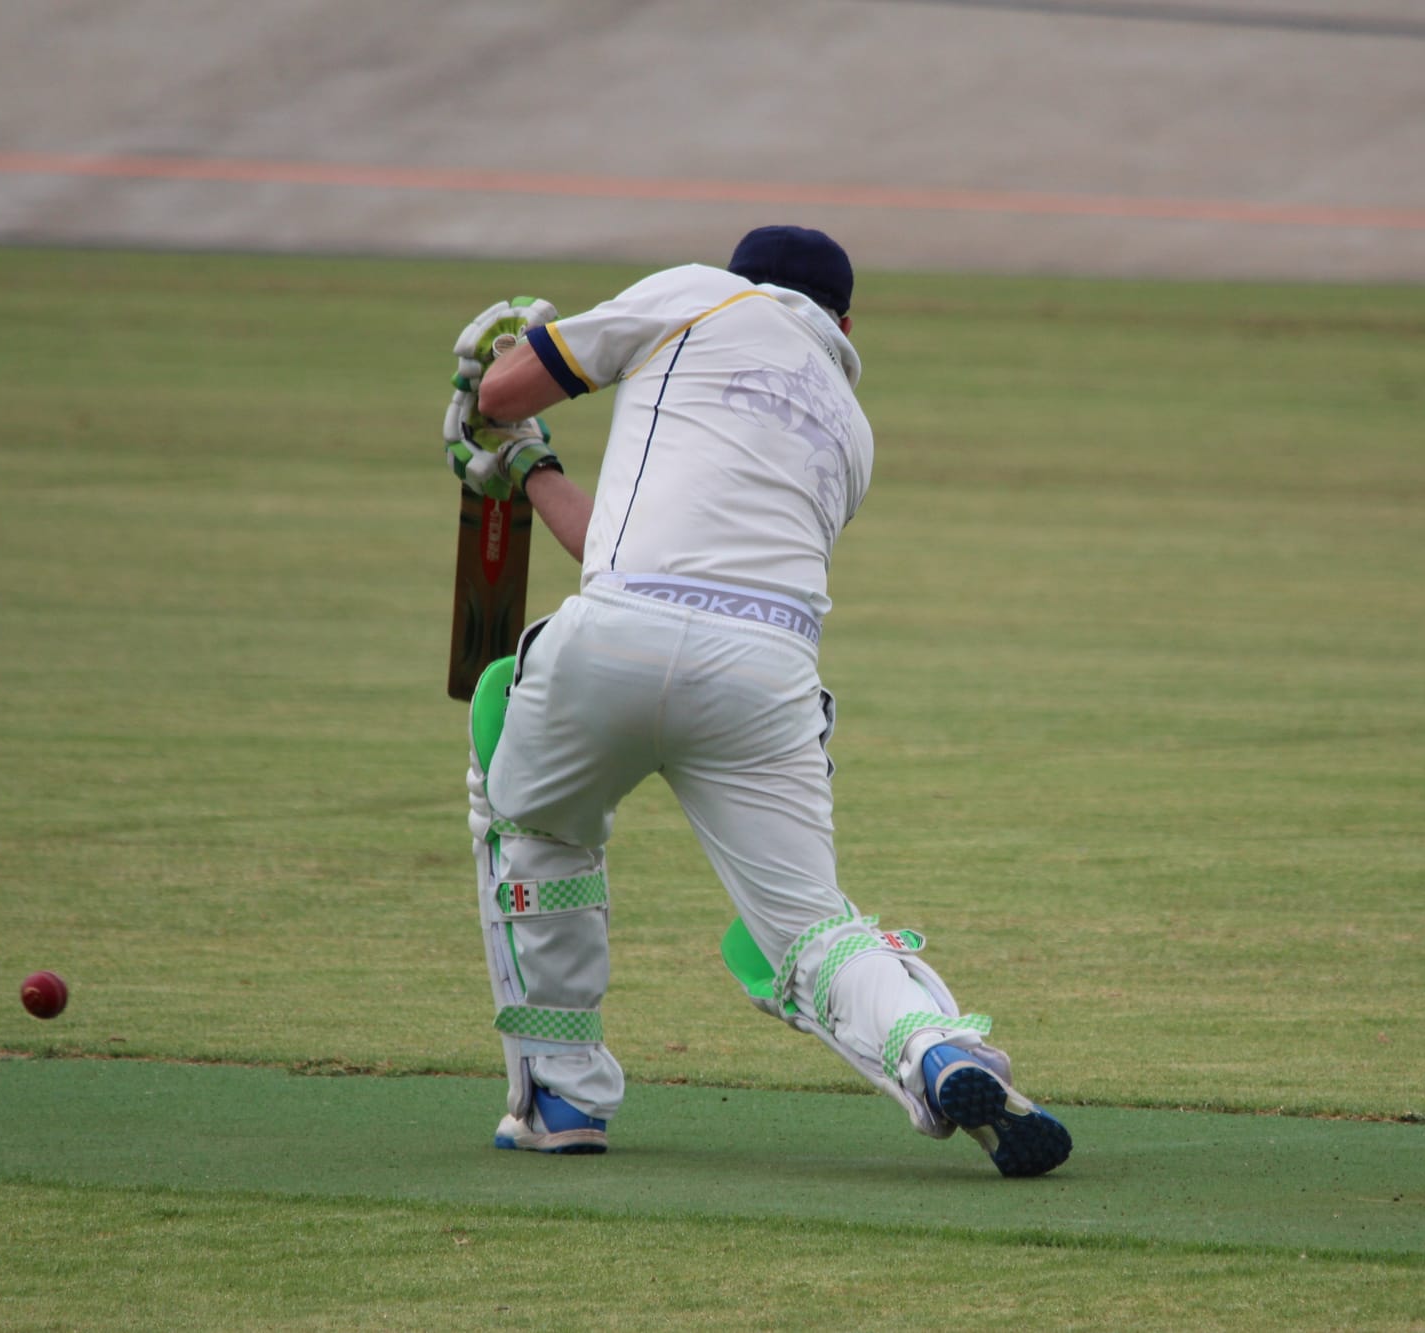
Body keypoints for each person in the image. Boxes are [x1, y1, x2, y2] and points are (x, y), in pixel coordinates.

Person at [443, 226, 1070, 1178]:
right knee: (809, 930)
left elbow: (502, 395)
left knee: (522, 778)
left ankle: (559, 1091)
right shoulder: (852, 431)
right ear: (844, 323)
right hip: (766, 675)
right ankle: (939, 1047)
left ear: (743, 279)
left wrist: (504, 430)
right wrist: (536, 469)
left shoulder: (695, 293)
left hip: (616, 637)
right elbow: (633, 546)